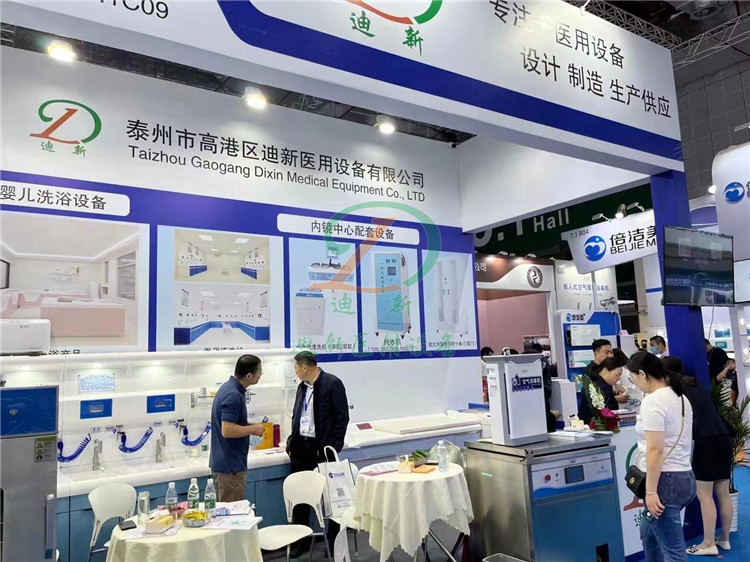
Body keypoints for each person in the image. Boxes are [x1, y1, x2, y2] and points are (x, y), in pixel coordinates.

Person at [627, 351, 695, 562]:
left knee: (674, 553)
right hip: (685, 477)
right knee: (648, 535)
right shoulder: (680, 397)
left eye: (633, 378)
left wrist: (650, 492)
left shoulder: (653, 401)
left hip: (665, 483)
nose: (634, 383)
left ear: (642, 374)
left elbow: (655, 449)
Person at [662, 357, 733, 556]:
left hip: (705, 442)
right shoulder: (696, 385)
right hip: (723, 438)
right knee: (723, 492)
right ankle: (725, 539)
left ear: (665, 375)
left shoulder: (675, 393)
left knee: (704, 495)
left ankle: (708, 543)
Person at [287, 351, 350, 555]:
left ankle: (333, 542)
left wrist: (334, 446)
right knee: (301, 497)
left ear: (304, 367)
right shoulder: (302, 387)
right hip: (301, 448)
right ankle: (301, 541)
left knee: (331, 499)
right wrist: (291, 441)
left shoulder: (332, 384)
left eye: (296, 367)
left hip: (323, 449)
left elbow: (342, 418)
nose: (295, 372)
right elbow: (298, 415)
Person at [209, 354, 266, 502]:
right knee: (232, 512)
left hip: (228, 465)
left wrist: (250, 426)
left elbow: (232, 423)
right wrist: (253, 430)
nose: (261, 375)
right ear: (249, 375)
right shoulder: (233, 395)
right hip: (230, 469)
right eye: (259, 371)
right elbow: (227, 430)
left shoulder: (229, 388)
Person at [578, 357, 627, 424]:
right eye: (617, 375)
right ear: (605, 370)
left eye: (620, 376)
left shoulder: (596, 381)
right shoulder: (600, 386)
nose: (618, 379)